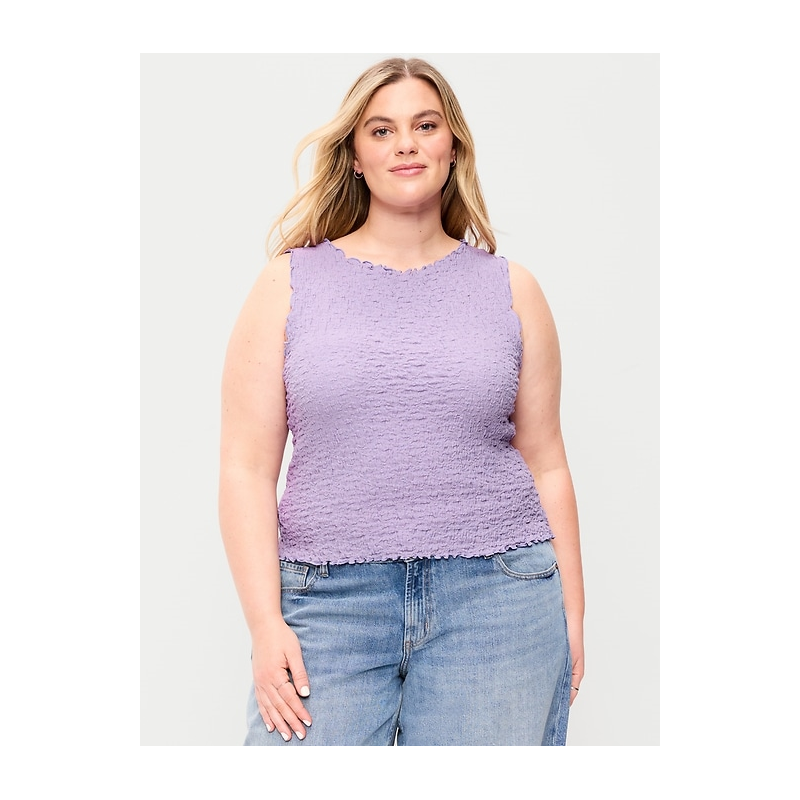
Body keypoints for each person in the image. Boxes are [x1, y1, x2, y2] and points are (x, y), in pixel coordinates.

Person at [219, 56, 585, 746]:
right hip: (329, 602)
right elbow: (246, 467)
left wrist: (574, 613)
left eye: (425, 125)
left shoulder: (513, 289)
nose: (406, 145)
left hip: (499, 597)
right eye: (381, 130)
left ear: (454, 146)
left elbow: (547, 460)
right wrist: (265, 624)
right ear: (355, 157)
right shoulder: (287, 285)